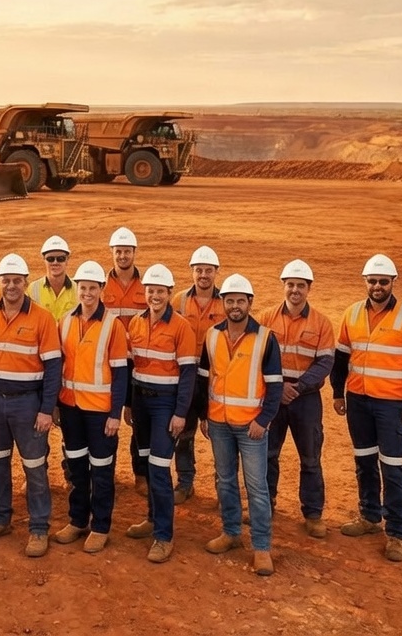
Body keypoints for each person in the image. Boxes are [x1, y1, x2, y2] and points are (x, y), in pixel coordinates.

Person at [331, 254, 402, 563]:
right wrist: (338, 393)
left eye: (383, 282)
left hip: (391, 405)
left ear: (392, 283)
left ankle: (396, 533)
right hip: (358, 402)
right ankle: (370, 517)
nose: (377, 286)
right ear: (365, 282)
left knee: (393, 467)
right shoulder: (351, 314)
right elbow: (340, 359)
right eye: (372, 281)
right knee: (364, 461)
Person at [0, 253, 62, 557]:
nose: (11, 286)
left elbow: (53, 367)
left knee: (34, 467)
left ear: (25, 283)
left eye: (16, 281)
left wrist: (46, 408)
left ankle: (38, 527)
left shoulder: (42, 318)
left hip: (28, 404)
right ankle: (0, 518)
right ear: (0, 282)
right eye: (6, 281)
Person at [195, 273, 284, 576]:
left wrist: (263, 420)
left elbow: (274, 386)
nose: (234, 305)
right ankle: (231, 532)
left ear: (249, 303)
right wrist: (204, 415)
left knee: (257, 488)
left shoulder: (266, 338)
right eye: (230, 300)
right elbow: (205, 379)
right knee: (225, 480)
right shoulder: (211, 335)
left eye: (240, 301)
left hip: (251, 427)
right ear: (223, 303)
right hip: (218, 421)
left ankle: (261, 547)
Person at [51, 261, 129, 554]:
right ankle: (77, 521)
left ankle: (100, 527)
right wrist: (57, 404)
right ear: (77, 289)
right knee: (77, 468)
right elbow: (59, 365)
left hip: (100, 412)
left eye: (92, 288)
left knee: (102, 470)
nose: (87, 293)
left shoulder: (113, 326)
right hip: (71, 408)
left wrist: (114, 414)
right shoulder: (66, 321)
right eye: (82, 287)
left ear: (101, 291)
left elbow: (120, 374)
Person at [124, 264, 197, 563]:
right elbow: (132, 368)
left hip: (166, 405)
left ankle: (163, 536)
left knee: (159, 467)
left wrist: (181, 413)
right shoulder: (136, 324)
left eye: (160, 291)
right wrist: (129, 404)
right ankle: (152, 519)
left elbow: (189, 373)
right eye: (150, 291)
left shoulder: (181, 327)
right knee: (145, 461)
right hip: (140, 403)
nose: (155, 296)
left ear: (170, 293)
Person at [258, 260, 335, 540]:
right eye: (290, 284)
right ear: (284, 286)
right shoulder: (266, 318)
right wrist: (279, 387)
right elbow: (258, 355)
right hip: (273, 399)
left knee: (311, 458)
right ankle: (266, 505)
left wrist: (298, 387)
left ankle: (313, 514)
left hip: (306, 401)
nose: (295, 290)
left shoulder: (321, 323)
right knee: (267, 455)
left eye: (300, 285)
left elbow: (325, 363)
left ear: (309, 289)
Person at [169, 245, 225, 504]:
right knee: (185, 431)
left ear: (216, 272)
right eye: (199, 270)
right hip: (187, 375)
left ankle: (222, 487)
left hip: (218, 376)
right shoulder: (178, 300)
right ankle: (186, 481)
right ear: (192, 272)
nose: (203, 274)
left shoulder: (227, 301)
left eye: (208, 270)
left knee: (220, 432)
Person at [102, 227, 149, 495]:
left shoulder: (146, 285)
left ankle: (140, 473)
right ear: (112, 253)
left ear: (134, 253)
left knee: (137, 420)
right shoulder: (101, 284)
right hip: (108, 362)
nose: (122, 255)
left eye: (127, 251)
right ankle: (105, 470)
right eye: (118, 251)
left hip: (139, 363)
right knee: (106, 419)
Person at [27, 236, 78, 320]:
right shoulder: (32, 289)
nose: (55, 262)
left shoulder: (78, 289)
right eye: (50, 259)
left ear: (67, 259)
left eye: (60, 259)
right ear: (44, 259)